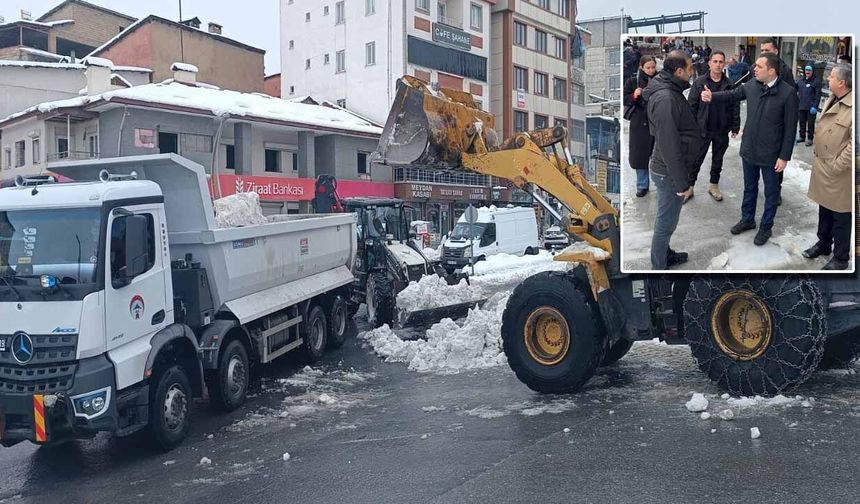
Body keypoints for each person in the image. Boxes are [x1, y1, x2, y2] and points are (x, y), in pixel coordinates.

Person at [701, 52, 799, 246]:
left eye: (759, 66)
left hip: (771, 154)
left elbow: (790, 129)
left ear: (771, 71)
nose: (754, 69)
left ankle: (766, 227)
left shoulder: (788, 93)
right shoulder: (753, 85)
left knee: (771, 193)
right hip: (750, 149)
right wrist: (713, 96)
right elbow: (732, 95)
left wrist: (784, 156)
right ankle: (747, 219)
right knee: (749, 187)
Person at [643, 50, 700, 269]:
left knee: (667, 220)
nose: (692, 71)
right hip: (667, 172)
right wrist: (683, 183)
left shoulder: (669, 88)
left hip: (668, 169)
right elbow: (669, 146)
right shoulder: (665, 98)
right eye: (689, 68)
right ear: (678, 71)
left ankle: (665, 254)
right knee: (665, 224)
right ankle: (658, 267)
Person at [802, 63, 854, 270]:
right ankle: (824, 243)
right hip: (824, 166)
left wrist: (838, 164)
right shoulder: (834, 97)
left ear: (842, 82)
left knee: (841, 215)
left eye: (831, 76)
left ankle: (841, 258)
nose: (828, 79)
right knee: (824, 209)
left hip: (840, 171)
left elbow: (855, 143)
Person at [688, 50, 741, 202]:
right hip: (702, 128)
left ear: (724, 64)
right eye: (715, 61)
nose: (718, 65)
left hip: (721, 128)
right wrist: (691, 127)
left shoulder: (729, 84)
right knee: (696, 159)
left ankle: (714, 185)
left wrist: (735, 126)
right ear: (709, 63)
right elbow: (691, 105)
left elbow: (735, 106)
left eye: (720, 62)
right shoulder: (700, 82)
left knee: (718, 159)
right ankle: (689, 186)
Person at [623, 55, 658, 197]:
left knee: (659, 155)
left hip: (657, 121)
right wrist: (634, 95)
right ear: (641, 67)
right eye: (648, 67)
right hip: (639, 123)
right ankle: (642, 185)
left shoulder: (661, 80)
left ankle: (661, 184)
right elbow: (625, 98)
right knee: (640, 156)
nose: (651, 70)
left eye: (653, 67)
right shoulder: (633, 81)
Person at [796, 65, 823, 146]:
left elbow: (818, 95)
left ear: (812, 71)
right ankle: (802, 137)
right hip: (801, 105)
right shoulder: (800, 80)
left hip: (811, 107)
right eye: (806, 70)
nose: (807, 71)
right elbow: (795, 89)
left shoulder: (816, 82)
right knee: (802, 122)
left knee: (811, 124)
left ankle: (810, 139)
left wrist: (815, 106)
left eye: (809, 70)